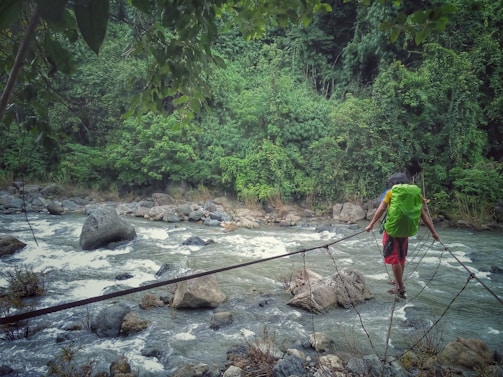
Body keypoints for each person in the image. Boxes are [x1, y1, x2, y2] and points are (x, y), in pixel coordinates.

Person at [365, 172, 440, 299]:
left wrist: (371, 224)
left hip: (392, 230)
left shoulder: (391, 193)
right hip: (407, 230)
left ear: (393, 184)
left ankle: (400, 288)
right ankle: (397, 281)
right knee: (401, 256)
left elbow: (381, 209)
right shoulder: (416, 193)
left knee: (394, 259)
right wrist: (433, 232)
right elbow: (423, 215)